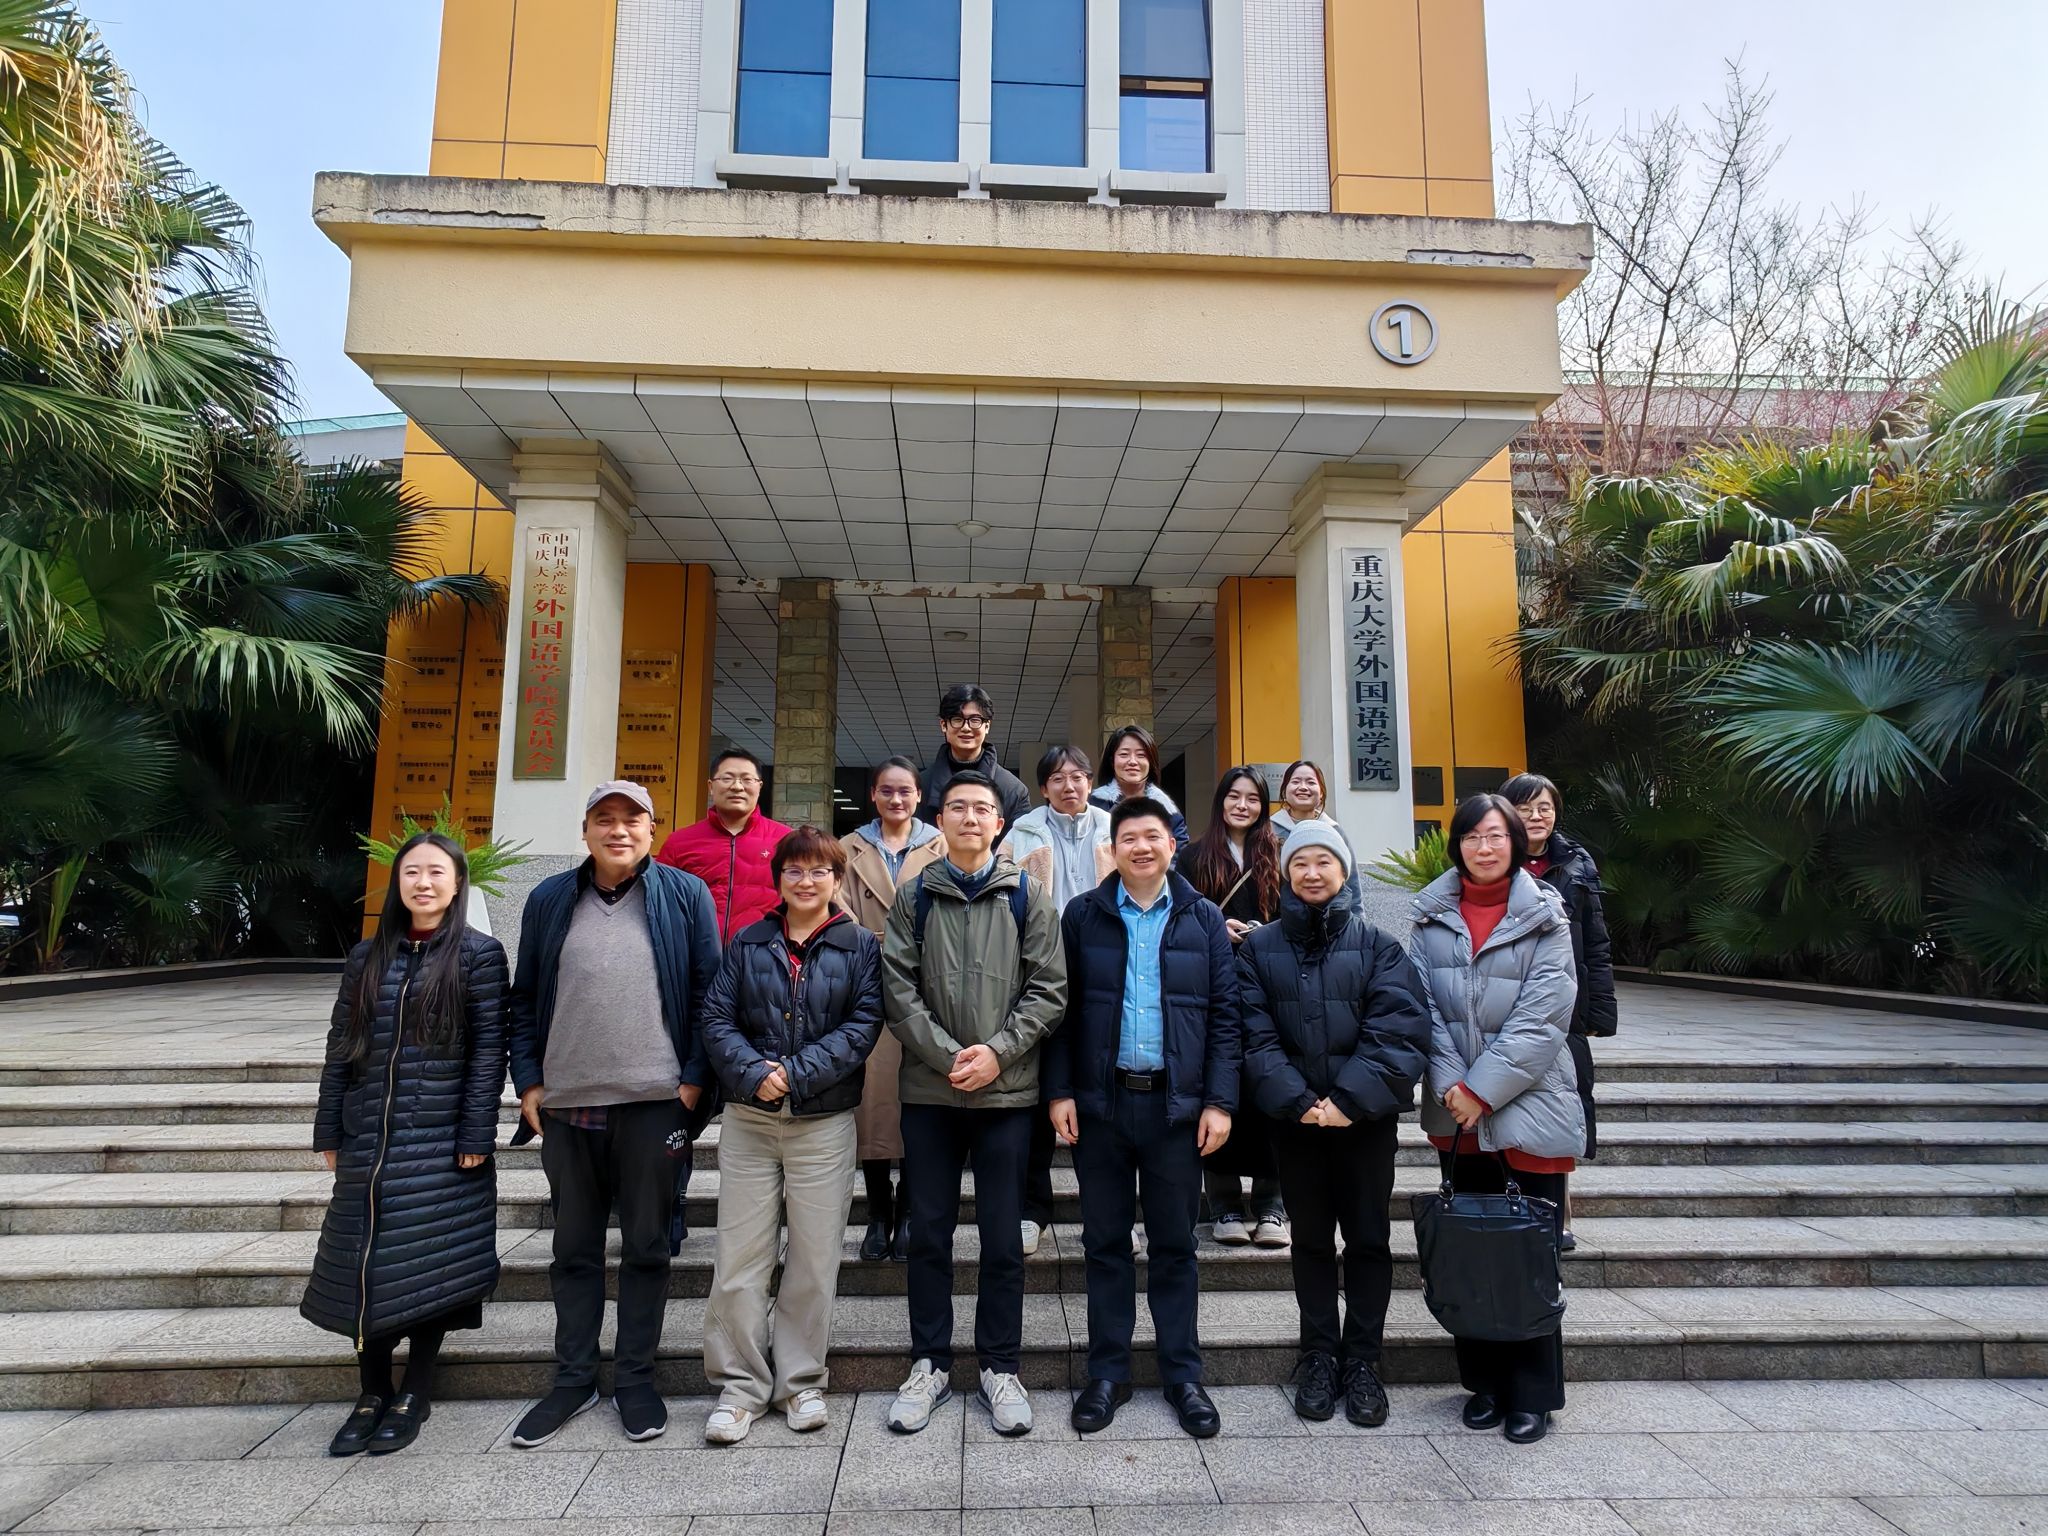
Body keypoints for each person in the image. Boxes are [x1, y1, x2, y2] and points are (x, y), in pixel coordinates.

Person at [507, 780, 722, 1449]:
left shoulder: (684, 894)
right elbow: (524, 997)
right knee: (573, 1249)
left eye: (633, 819)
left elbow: (709, 992)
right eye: (605, 819)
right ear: (586, 831)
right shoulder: (550, 899)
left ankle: (634, 1379)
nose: (619, 830)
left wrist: (693, 1082)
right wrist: (528, 1081)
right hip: (568, 1106)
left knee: (647, 1248)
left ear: (652, 830)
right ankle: (573, 1378)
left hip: (655, 1104)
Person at [304, 833, 507, 1457]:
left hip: (440, 1140)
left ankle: (415, 1391)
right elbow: (342, 1046)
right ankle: (371, 1391)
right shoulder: (367, 956)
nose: (423, 882)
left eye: (436, 872)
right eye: (412, 872)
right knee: (361, 1261)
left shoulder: (479, 955)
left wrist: (476, 1132)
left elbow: (488, 1053)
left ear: (457, 883)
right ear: (397, 883)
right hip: (369, 1136)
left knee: (429, 1264)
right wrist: (329, 1129)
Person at [1046, 797, 1240, 1438]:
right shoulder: (1084, 915)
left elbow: (1225, 1018)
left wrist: (1218, 1101)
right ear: (1114, 847)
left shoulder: (1202, 917)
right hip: (1101, 1106)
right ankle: (1109, 1373)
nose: (1141, 847)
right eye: (1128, 837)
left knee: (1175, 1246)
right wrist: (1060, 1091)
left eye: (1152, 836)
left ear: (1171, 845)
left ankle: (1183, 1374)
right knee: (1104, 1244)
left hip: (1175, 1108)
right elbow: (1061, 1012)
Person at [881, 770, 1068, 1438]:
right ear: (939, 820)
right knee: (928, 1233)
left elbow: (1049, 988)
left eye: (981, 808)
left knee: (1003, 1238)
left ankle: (1000, 1366)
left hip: (1007, 1095)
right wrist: (946, 1056)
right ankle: (929, 1363)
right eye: (956, 807)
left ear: (998, 823)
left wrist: (997, 1053)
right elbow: (896, 986)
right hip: (930, 1094)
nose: (969, 816)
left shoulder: (1027, 896)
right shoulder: (915, 896)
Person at [1238, 823, 1432, 1430]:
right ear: (1286, 874)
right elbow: (1251, 1034)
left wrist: (1348, 1099)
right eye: (1301, 863)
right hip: (1296, 1124)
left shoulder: (1379, 946)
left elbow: (1399, 1029)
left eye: (1324, 861)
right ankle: (1319, 1355)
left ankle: (1364, 1360)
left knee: (1369, 1241)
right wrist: (1299, 1100)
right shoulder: (1259, 949)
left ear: (1344, 871)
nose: (1312, 873)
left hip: (1364, 1123)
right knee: (1312, 1242)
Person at [698, 827, 884, 1443]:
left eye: (819, 871)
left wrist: (795, 1074)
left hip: (822, 1123)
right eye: (794, 871)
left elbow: (864, 1024)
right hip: (750, 1120)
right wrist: (756, 1074)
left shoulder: (860, 946)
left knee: (813, 1258)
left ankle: (801, 1381)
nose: (806, 881)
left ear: (837, 879)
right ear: (778, 878)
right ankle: (740, 1387)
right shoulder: (747, 941)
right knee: (739, 1257)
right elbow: (716, 1016)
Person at [1413, 793, 1584, 1446]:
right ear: (1456, 844)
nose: (1483, 848)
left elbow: (1544, 1017)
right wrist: (1453, 1086)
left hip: (1530, 1107)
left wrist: (1481, 1090)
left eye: (1495, 836)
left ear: (1515, 842)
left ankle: (1531, 1394)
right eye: (1472, 837)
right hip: (1454, 1111)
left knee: (1527, 1257)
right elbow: (1422, 1010)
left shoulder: (1546, 917)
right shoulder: (1429, 916)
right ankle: (1483, 1384)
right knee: (1471, 1252)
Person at [1002, 744, 1114, 1254]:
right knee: (1037, 1093)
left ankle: (1108, 1213)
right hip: (1038, 972)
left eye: (1078, 776)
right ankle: (1032, 1210)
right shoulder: (1021, 832)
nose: (1069, 786)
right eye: (1058, 778)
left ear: (1090, 781)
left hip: (1104, 970)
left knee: (1097, 1091)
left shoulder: (1113, 828)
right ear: (1044, 787)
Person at [1500, 772, 1616, 1252]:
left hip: (1565, 1004)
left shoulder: (1576, 863)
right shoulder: (1492, 858)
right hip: (1505, 1001)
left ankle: (1560, 1208)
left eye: (1544, 807)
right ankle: (1511, 1202)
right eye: (1525, 807)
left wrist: (1600, 1011)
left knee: (1564, 1106)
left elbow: (1596, 941)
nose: (1536, 816)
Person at [1176, 767, 1288, 1248]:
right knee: (1217, 1088)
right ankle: (1223, 1204)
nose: (1243, 805)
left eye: (1253, 798)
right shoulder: (1192, 855)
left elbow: (1296, 910)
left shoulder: (1279, 853)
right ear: (1220, 801)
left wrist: (1269, 932)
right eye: (1234, 796)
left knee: (1271, 1090)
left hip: (1270, 988)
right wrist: (1214, 926)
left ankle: (1272, 1206)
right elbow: (1179, 913)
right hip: (1212, 985)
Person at [843, 757, 947, 1262]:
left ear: (919, 796)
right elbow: (835, 905)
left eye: (905, 791)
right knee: (875, 1104)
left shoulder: (941, 845)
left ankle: (908, 1211)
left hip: (928, 982)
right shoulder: (849, 847)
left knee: (918, 1103)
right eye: (887, 790)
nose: (896, 799)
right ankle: (877, 1212)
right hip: (867, 980)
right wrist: (871, 942)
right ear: (873, 795)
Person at [656, 747, 792, 942]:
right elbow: (659, 901)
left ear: (759, 786)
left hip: (765, 953)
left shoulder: (786, 840)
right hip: (694, 954)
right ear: (711, 786)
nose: (737, 787)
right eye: (727, 778)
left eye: (747, 779)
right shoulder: (679, 842)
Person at [912, 683, 1031, 840]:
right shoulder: (919, 786)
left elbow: (1020, 846)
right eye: (957, 719)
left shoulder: (1013, 790)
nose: (966, 728)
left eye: (975, 720)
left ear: (987, 726)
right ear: (943, 725)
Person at [1269, 759, 1364, 905]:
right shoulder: (1268, 830)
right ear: (1284, 791)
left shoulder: (1334, 831)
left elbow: (1352, 883)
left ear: (1321, 793)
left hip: (1329, 915)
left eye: (1311, 782)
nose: (1303, 787)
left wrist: (1357, 916)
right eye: (1295, 782)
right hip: (1278, 913)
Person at [1087, 724, 1189, 844]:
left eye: (1141, 755)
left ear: (1150, 762)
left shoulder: (1168, 809)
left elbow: (1181, 850)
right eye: (1124, 754)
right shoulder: (1092, 805)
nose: (1133, 761)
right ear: (1112, 761)